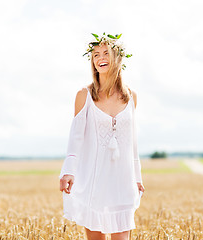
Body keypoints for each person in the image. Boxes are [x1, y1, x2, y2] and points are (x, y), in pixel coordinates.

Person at [59, 33, 145, 240]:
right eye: (96, 54)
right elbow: (76, 138)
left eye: (106, 53)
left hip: (122, 180)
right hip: (93, 179)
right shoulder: (84, 95)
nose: (100, 58)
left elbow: (132, 143)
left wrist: (137, 177)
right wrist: (69, 171)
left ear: (118, 58)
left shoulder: (131, 97)